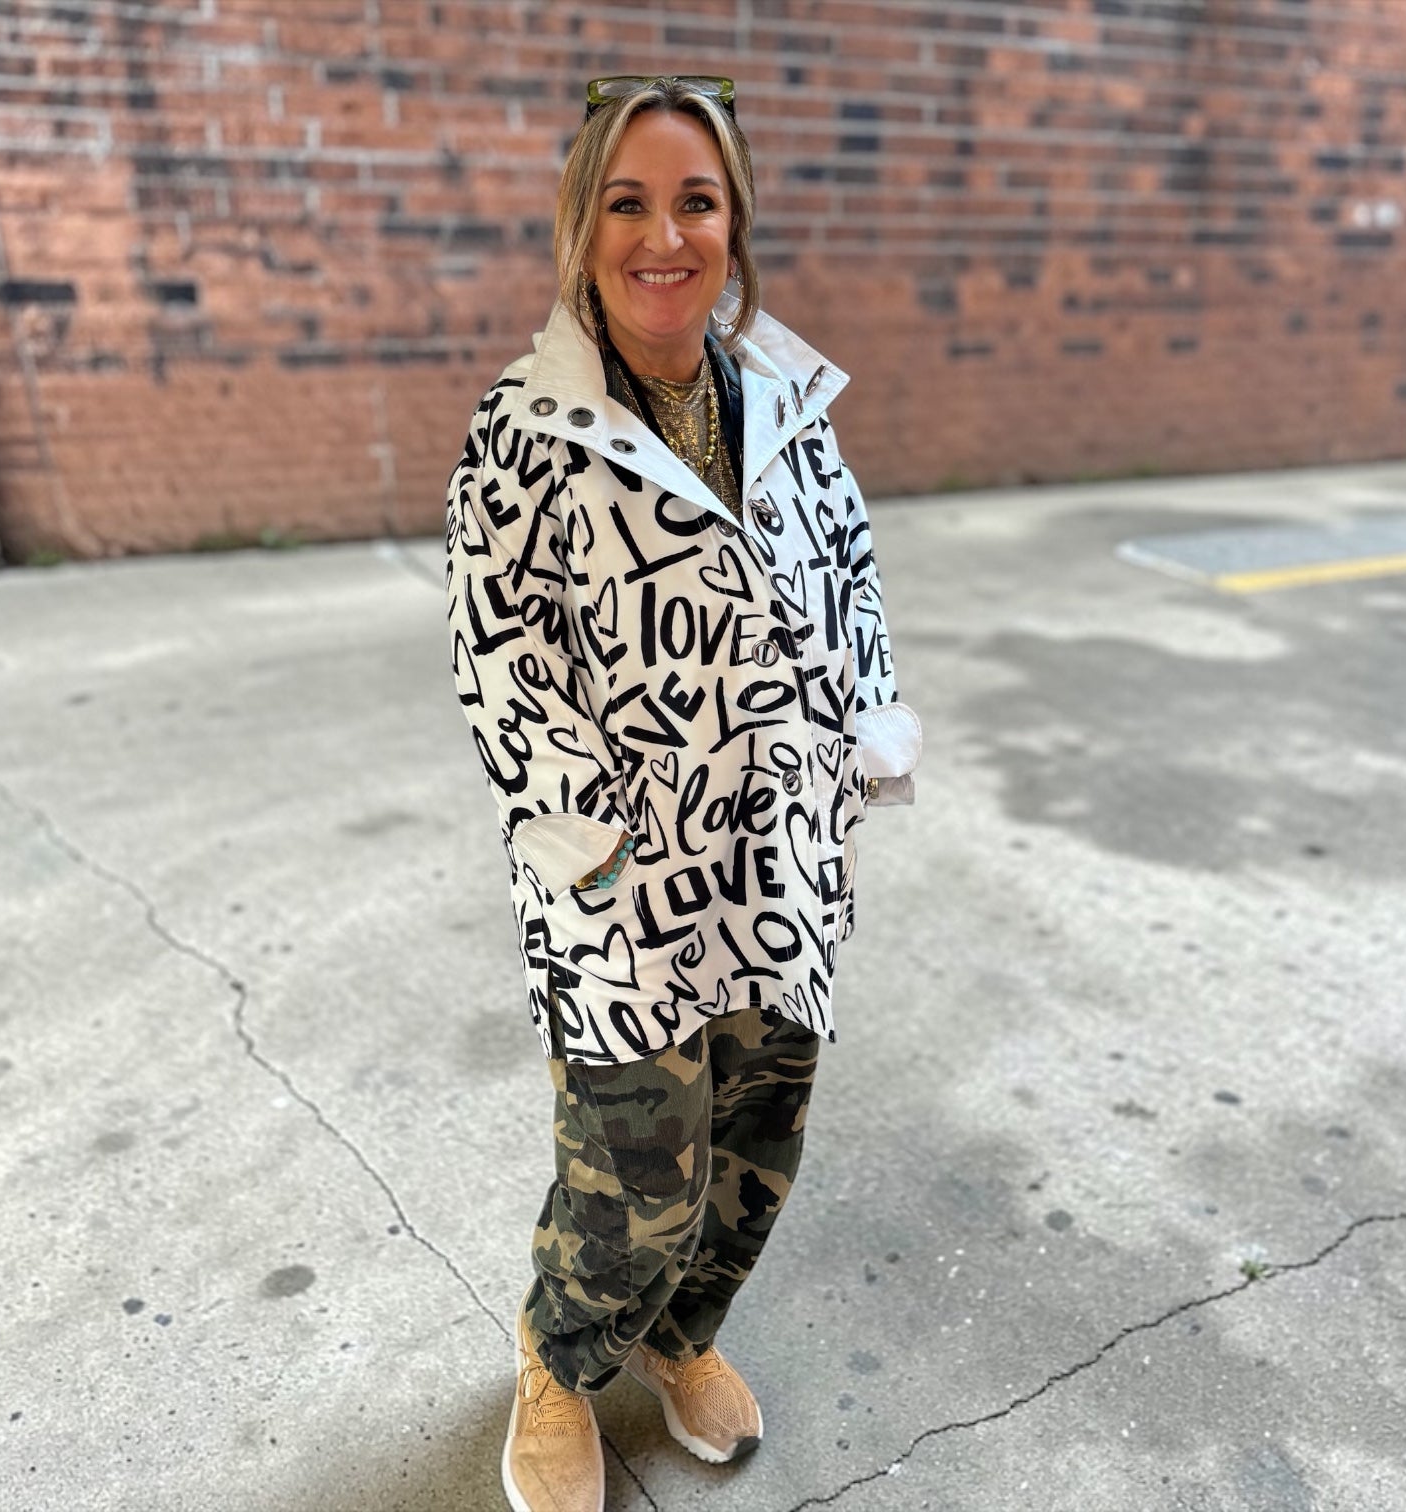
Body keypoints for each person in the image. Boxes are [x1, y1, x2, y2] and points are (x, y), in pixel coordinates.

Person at [445, 75, 922, 1512]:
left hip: (780, 857)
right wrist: (586, 842)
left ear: (734, 225)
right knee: (636, 1175)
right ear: (582, 228)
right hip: (625, 887)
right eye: (629, 203)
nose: (665, 236)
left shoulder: (785, 399)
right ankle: (560, 1357)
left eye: (696, 202)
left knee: (757, 1148)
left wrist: (867, 729)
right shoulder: (525, 429)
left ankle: (680, 1336)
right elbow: (499, 655)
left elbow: (849, 572)